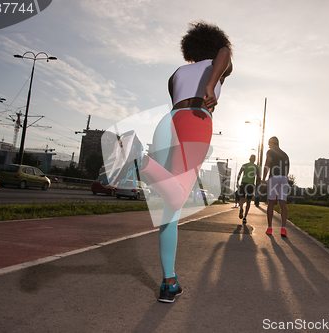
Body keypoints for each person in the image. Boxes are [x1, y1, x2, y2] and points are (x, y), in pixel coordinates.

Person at [103, 22, 233, 303]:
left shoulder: (176, 74)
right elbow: (225, 53)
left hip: (168, 123)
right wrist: (211, 84)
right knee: (176, 196)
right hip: (196, 120)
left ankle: (169, 283)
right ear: (213, 45)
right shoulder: (218, 61)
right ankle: (138, 157)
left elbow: (177, 102)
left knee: (170, 209)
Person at [262, 136, 290, 237]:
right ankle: (283, 229)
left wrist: (263, 179)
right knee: (283, 203)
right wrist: (284, 178)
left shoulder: (270, 152)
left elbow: (267, 164)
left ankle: (270, 228)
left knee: (271, 203)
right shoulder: (285, 154)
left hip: (274, 177)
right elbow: (287, 169)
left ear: (272, 143)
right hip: (284, 178)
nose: (268, 146)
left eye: (269, 144)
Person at [236, 154, 260, 223]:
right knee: (248, 201)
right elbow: (258, 176)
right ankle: (245, 217)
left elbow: (239, 173)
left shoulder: (245, 165)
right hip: (251, 185)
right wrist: (258, 184)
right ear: (254, 160)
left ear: (249, 159)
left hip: (244, 183)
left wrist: (237, 182)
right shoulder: (256, 167)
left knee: (242, 198)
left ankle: (241, 208)